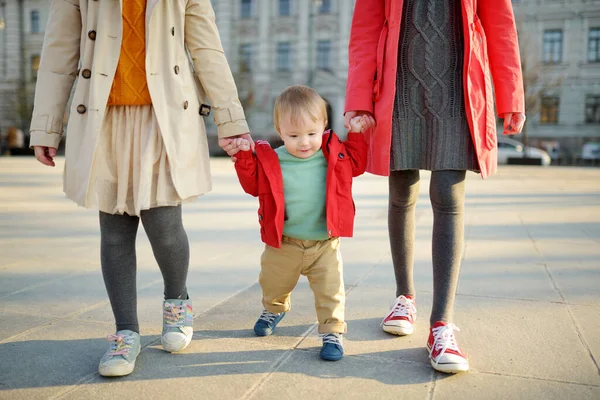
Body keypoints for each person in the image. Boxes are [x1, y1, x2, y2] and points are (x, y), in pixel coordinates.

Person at [29, 0, 250, 377]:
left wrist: (230, 119)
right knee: (114, 231)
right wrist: (46, 125)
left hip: (165, 116)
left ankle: (177, 301)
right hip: (102, 116)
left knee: (164, 225)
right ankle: (125, 331)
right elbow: (58, 52)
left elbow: (206, 48)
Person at [344, 0, 526, 373]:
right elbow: (364, 31)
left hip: (459, 90)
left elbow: (500, 27)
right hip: (399, 89)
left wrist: (512, 97)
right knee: (402, 191)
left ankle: (441, 324)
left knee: (447, 195)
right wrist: (359, 99)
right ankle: (404, 297)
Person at [230, 85, 367, 361]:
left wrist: (357, 133)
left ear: (324, 126)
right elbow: (253, 186)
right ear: (280, 132)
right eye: (293, 136)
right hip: (285, 243)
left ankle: (332, 332)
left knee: (331, 291)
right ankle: (275, 308)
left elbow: (358, 163)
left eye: (311, 134)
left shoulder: (334, 155)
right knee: (272, 282)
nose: (304, 142)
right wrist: (244, 157)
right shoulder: (273, 160)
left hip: (324, 244)